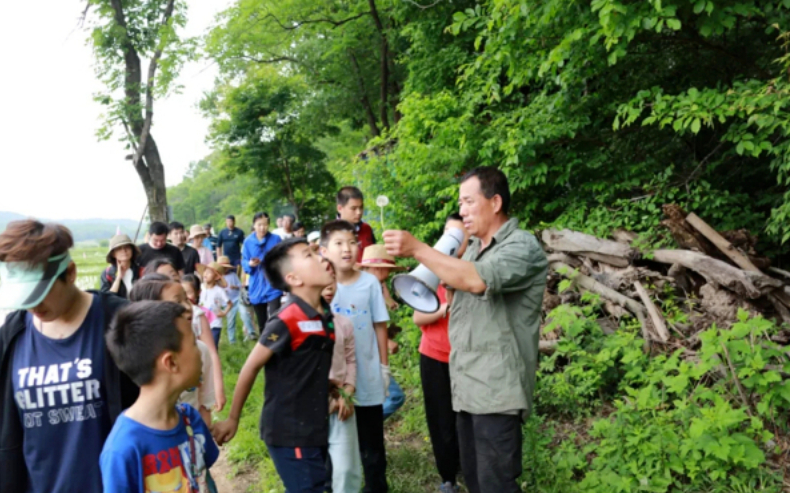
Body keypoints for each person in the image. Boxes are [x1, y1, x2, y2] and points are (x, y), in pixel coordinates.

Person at [383, 167, 548, 493]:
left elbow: (476, 279)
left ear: (495, 202)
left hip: (496, 392)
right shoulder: (473, 249)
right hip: (465, 388)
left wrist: (418, 248)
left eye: (469, 201)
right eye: (460, 203)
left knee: (495, 485)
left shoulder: (521, 246)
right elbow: (456, 282)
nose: (462, 210)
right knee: (474, 480)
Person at [0, 219, 139, 493]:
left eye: (40, 292)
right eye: (25, 296)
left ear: (71, 272)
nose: (32, 305)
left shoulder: (121, 321)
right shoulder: (12, 335)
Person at [212, 238, 336, 493]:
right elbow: (250, 367)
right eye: (309, 255)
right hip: (290, 432)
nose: (321, 258)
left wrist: (327, 382)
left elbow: (304, 361)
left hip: (316, 426)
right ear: (293, 278)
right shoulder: (286, 319)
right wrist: (233, 418)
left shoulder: (325, 314)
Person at [100, 301, 219, 493]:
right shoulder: (122, 449)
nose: (201, 351)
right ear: (171, 362)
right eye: (193, 344)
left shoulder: (190, 419)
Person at [320, 220, 390, 493]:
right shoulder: (320, 286)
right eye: (338, 243)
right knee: (334, 449)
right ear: (324, 250)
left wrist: (384, 368)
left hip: (367, 376)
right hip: (333, 383)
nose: (346, 249)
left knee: (372, 446)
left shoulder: (369, 283)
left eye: (352, 243)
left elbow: (380, 325)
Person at [412, 213, 469, 493]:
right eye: (448, 233)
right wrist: (445, 308)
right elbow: (418, 318)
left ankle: (469, 468)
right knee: (440, 419)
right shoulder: (432, 271)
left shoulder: (474, 270)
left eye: (459, 234)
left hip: (467, 357)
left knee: (466, 418)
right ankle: (448, 477)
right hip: (434, 356)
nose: (453, 240)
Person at [127, 277, 217, 446]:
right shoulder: (135, 361)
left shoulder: (199, 352)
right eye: (177, 303)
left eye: (186, 299)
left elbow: (204, 405)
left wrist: (200, 444)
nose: (188, 307)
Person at [322, 262, 362, 493]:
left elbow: (350, 360)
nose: (329, 288)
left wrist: (347, 392)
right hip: (309, 407)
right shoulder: (293, 323)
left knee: (347, 470)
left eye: (333, 281)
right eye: (323, 282)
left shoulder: (343, 323)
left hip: (340, 403)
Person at [356, 245, 406, 420]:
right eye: (388, 270)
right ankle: (365, 425)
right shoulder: (364, 289)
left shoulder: (373, 286)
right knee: (394, 396)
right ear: (378, 269)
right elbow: (361, 321)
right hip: (364, 356)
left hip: (370, 355)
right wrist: (387, 342)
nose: (389, 274)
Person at [181, 274, 227, 411]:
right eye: (181, 293)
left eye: (188, 292)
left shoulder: (197, 315)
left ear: (197, 293)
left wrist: (218, 389)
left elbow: (212, 353)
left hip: (197, 377)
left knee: (201, 409)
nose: (186, 297)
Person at [242, 212, 283, 326]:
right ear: (254, 225)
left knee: (275, 320)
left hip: (273, 283)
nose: (262, 228)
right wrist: (250, 264)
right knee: (262, 323)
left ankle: (276, 336)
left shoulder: (276, 239)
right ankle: (264, 337)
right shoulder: (248, 242)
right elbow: (244, 261)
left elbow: (282, 258)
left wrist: (268, 261)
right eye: (259, 225)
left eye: (265, 224)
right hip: (256, 285)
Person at [197, 262, 232, 351]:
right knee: (201, 347)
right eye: (205, 271)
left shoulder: (219, 291)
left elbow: (230, 303)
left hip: (215, 323)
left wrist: (224, 313)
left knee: (213, 347)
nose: (206, 274)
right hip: (200, 322)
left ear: (216, 277)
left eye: (209, 272)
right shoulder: (200, 288)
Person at [218, 255, 252, 344]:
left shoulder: (233, 275)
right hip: (228, 303)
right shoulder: (218, 279)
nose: (225, 270)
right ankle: (232, 340)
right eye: (223, 268)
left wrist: (235, 287)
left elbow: (240, 285)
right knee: (230, 321)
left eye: (226, 268)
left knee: (245, 315)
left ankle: (251, 333)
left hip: (237, 299)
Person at [336, 186, 376, 262]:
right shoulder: (331, 232)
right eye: (353, 208)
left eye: (361, 207)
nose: (359, 212)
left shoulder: (367, 228)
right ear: (340, 208)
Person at [100, 233, 142, 299]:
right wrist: (118, 278)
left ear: (132, 250)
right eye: (119, 248)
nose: (124, 251)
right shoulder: (107, 274)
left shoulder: (141, 271)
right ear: (113, 254)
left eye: (127, 247)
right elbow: (106, 299)